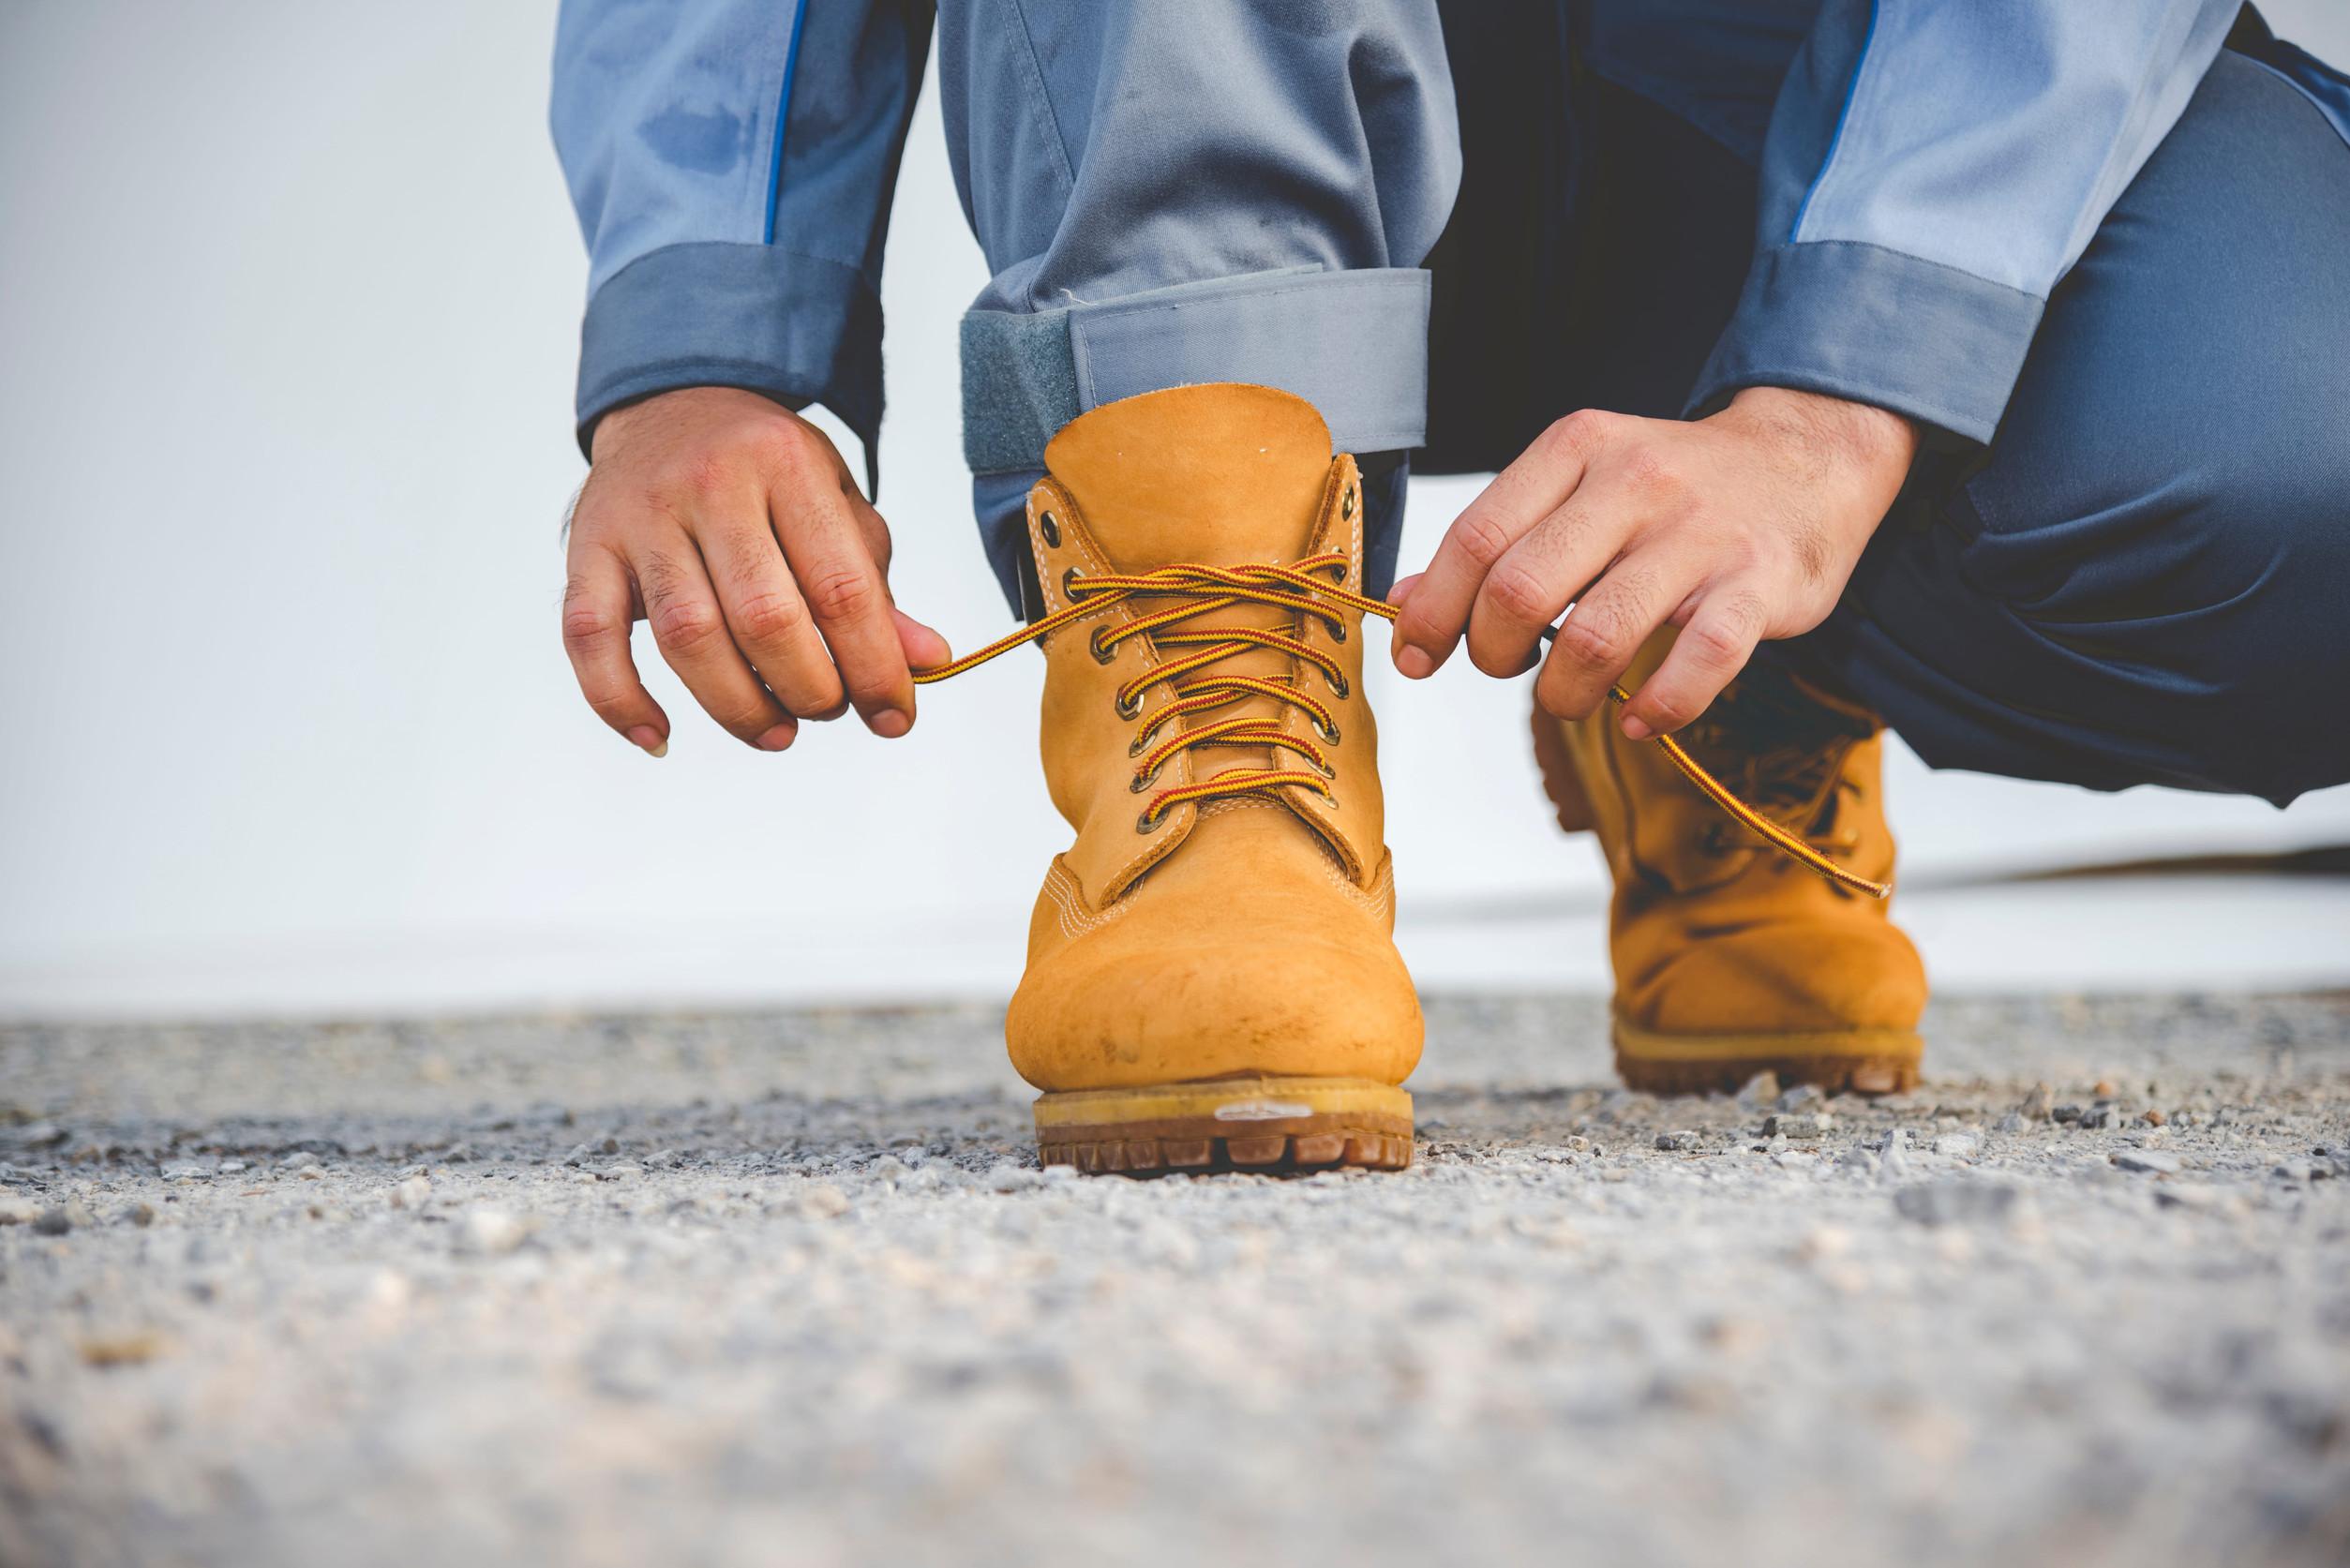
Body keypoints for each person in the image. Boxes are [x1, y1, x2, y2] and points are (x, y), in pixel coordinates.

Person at [550, 1, 2350, 1172]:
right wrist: (705, 332)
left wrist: (1847, 398)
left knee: (2297, 477)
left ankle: (1724, 669)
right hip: (1199, 75)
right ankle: (1226, 730)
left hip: (1802, 86)